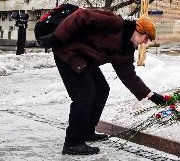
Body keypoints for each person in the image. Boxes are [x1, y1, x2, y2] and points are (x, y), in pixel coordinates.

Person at [39, 9, 168, 156]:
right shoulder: (114, 22)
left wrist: (151, 95)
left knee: (102, 90)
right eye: (146, 38)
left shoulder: (125, 49)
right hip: (68, 52)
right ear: (139, 31)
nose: (145, 42)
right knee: (85, 95)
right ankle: (73, 143)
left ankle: (87, 131)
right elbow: (82, 15)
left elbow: (129, 76)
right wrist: (57, 37)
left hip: (85, 60)